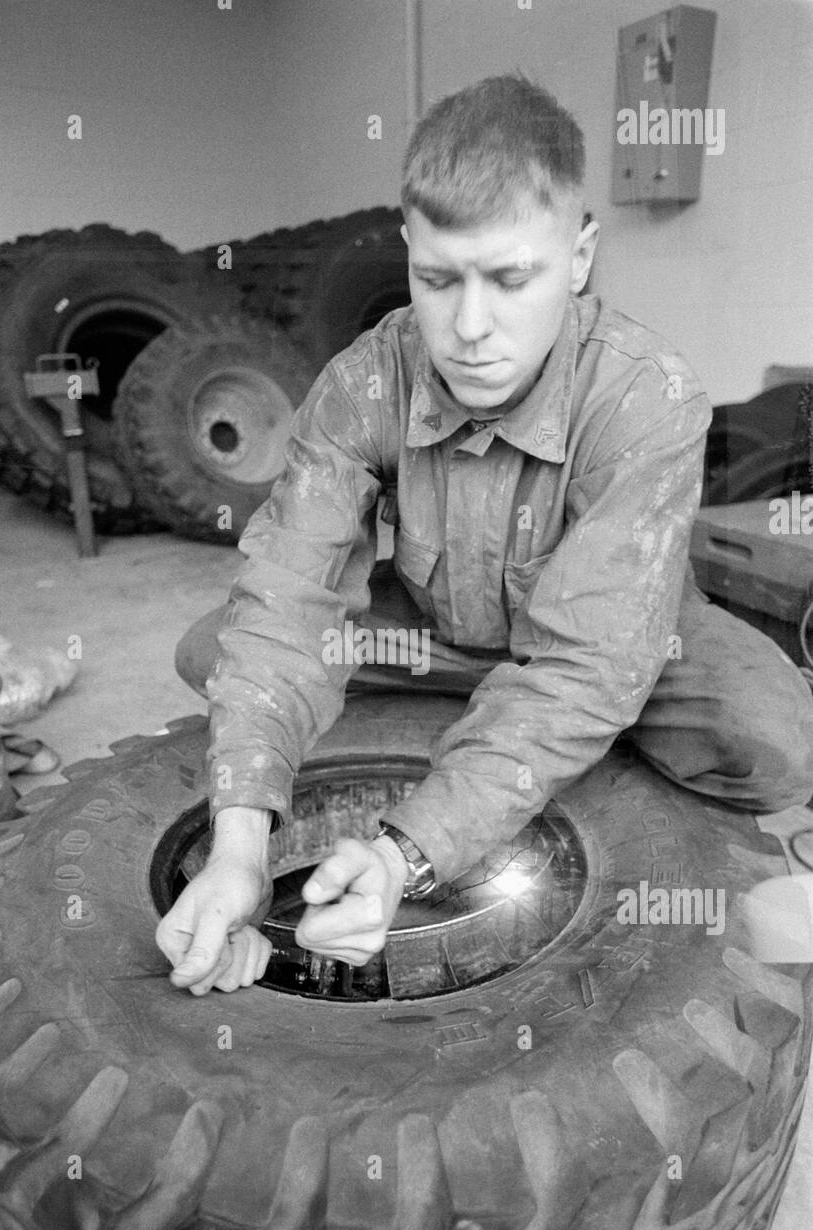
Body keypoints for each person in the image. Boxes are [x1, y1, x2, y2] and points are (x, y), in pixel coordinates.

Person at [157, 73, 813, 996]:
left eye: (511, 279)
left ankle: (546, 745)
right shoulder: (364, 383)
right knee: (216, 653)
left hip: (622, 643)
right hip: (434, 631)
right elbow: (288, 596)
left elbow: (589, 661)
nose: (470, 328)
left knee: (775, 736)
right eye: (438, 280)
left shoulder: (646, 399)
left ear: (579, 258)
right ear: (409, 256)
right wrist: (238, 840)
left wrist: (406, 853)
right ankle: (503, 735)